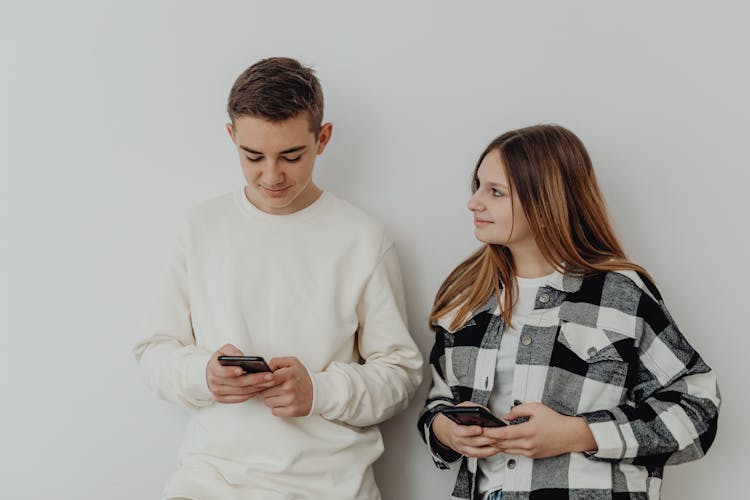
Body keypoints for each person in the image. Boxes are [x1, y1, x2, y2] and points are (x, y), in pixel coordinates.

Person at [134, 57, 423, 500]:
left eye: (291, 156)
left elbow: (401, 373)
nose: (272, 176)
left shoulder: (363, 239)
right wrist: (203, 375)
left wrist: (319, 390)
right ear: (231, 137)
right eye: (253, 156)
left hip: (330, 487)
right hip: (211, 483)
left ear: (322, 139)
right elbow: (154, 352)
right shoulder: (200, 228)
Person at [417, 125, 720, 500]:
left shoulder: (618, 292)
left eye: (495, 192)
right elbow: (438, 404)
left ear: (546, 205)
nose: (473, 202)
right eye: (477, 186)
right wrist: (446, 430)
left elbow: (697, 406)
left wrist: (579, 433)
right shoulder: (467, 297)